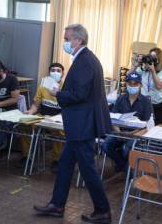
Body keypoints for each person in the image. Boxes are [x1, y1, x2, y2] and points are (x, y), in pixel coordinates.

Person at [33, 24, 112, 224]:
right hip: (79, 123)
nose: (65, 43)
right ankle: (57, 205)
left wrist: (57, 93)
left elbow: (79, 94)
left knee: (88, 169)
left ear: (78, 40)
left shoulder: (85, 61)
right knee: (65, 165)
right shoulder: (84, 59)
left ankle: (103, 210)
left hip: (82, 125)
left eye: (67, 39)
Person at [129, 47, 162, 173]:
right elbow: (129, 76)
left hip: (160, 105)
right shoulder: (143, 70)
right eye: (150, 56)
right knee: (146, 132)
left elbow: (159, 85)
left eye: (154, 57)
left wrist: (153, 71)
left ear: (159, 60)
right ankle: (147, 160)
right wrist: (137, 65)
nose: (150, 60)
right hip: (145, 105)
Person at [101, 72, 152, 172]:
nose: (132, 86)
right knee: (105, 145)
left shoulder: (146, 101)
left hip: (135, 134)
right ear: (126, 84)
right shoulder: (120, 99)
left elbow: (145, 124)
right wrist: (119, 132)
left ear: (140, 85)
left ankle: (123, 165)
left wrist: (130, 134)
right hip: (118, 132)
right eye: (130, 84)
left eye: (135, 84)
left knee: (126, 149)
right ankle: (123, 165)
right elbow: (114, 119)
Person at [20, 63, 65, 172]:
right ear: (49, 73)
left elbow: (68, 109)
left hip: (58, 118)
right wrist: (30, 112)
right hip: (42, 116)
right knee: (25, 126)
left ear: (63, 73)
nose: (55, 72)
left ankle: (56, 160)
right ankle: (27, 156)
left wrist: (55, 118)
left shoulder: (66, 87)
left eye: (58, 71)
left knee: (59, 133)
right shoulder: (43, 86)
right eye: (53, 70)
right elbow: (36, 105)